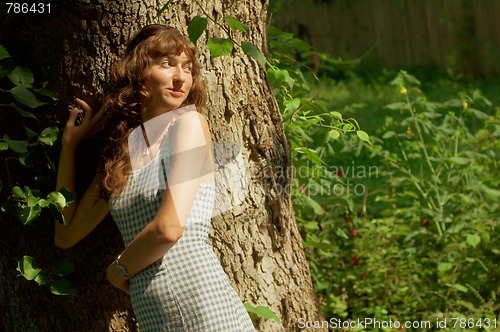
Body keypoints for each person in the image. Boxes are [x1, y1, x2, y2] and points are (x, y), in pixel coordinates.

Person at [54, 24, 255, 331]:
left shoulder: (189, 124)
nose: (181, 77)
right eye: (167, 64)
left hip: (204, 306)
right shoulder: (122, 154)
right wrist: (69, 148)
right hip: (154, 316)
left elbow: (168, 228)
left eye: (187, 68)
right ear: (139, 73)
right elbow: (66, 234)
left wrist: (119, 271)